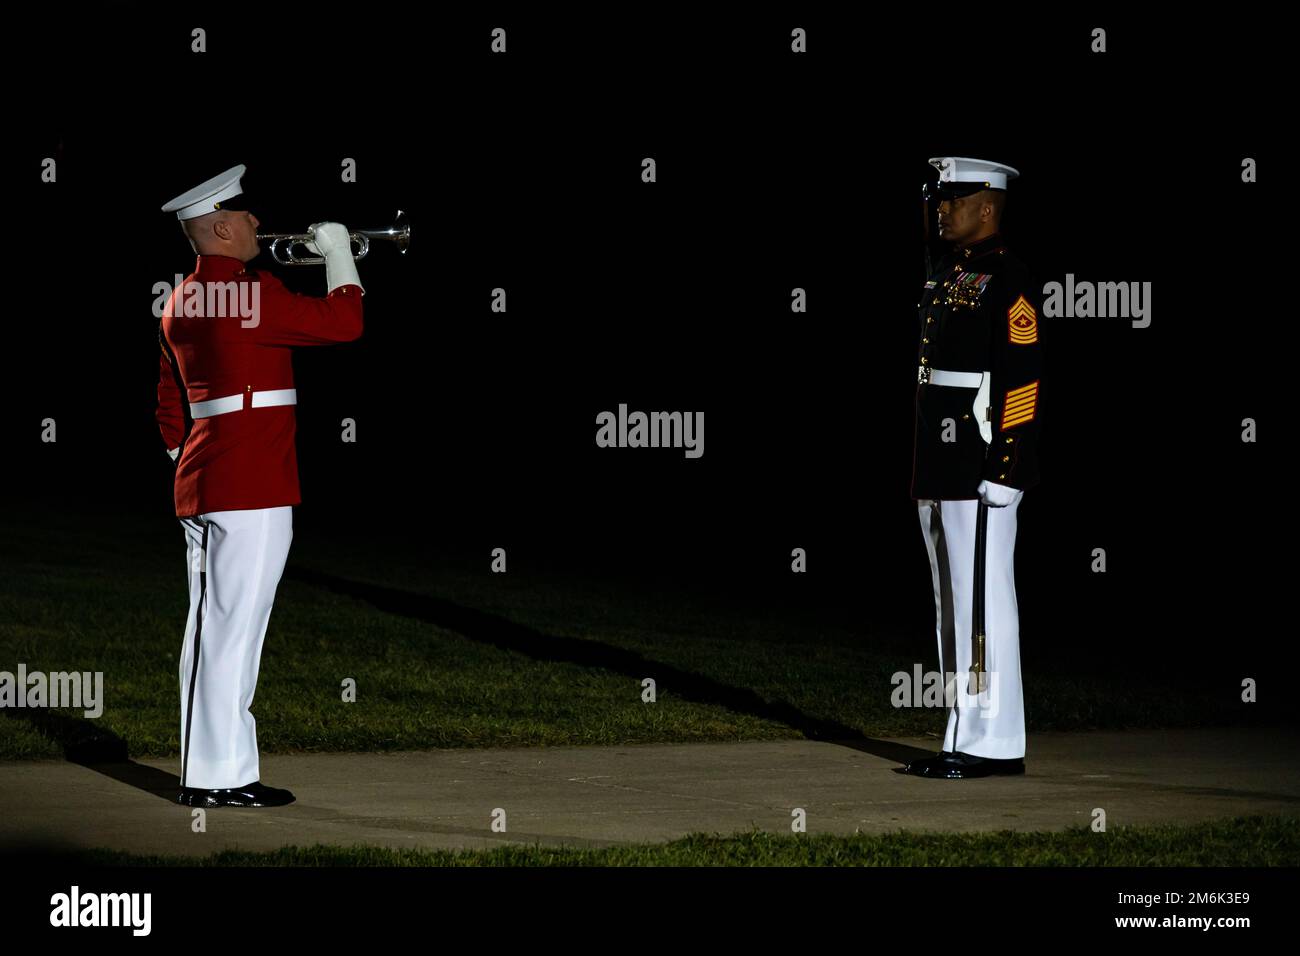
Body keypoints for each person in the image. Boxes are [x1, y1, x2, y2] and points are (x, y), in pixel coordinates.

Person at [156, 164, 365, 807]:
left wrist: (188, 454)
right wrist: (339, 258)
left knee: (211, 628)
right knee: (236, 630)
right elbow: (345, 323)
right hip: (254, 482)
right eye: (245, 214)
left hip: (205, 473)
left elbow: (170, 400)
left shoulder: (179, 299)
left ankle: (215, 771)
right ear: (219, 225)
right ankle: (219, 777)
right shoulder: (248, 293)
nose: (256, 223)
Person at [900, 156, 1045, 779]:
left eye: (954, 199)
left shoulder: (1009, 276)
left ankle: (991, 743)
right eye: (940, 199)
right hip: (941, 456)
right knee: (952, 602)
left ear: (987, 205)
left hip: (980, 458)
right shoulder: (948, 273)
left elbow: (1022, 373)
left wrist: (1008, 465)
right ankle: (964, 733)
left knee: (984, 603)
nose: (942, 208)